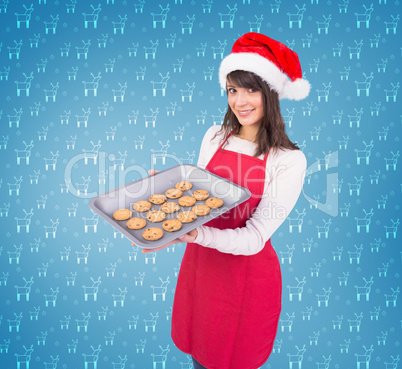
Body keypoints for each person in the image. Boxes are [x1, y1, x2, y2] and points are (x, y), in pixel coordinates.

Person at [136, 33, 310, 369]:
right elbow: (199, 200)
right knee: (199, 354)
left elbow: (256, 237)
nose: (240, 101)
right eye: (232, 89)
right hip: (201, 268)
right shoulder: (215, 136)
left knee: (229, 357)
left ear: (271, 92)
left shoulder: (288, 160)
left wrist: (197, 235)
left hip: (246, 278)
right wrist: (164, 196)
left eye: (251, 89)